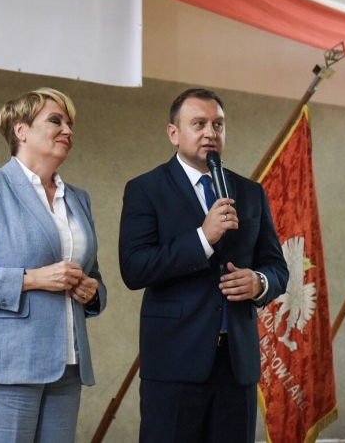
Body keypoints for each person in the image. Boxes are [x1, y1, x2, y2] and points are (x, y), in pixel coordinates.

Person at [118, 87, 288, 443]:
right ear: (174, 133)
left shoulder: (250, 192)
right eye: (199, 124)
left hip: (237, 365)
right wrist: (202, 239)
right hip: (174, 362)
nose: (210, 132)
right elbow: (134, 268)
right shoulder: (146, 189)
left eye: (218, 124)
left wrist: (259, 282)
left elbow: (276, 267)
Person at [0, 87, 106, 443]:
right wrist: (33, 279)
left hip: (68, 368)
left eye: (70, 124)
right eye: (55, 120)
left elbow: (93, 278)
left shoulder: (79, 199)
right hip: (5, 367)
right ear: (21, 130)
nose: (68, 130)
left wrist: (92, 293)